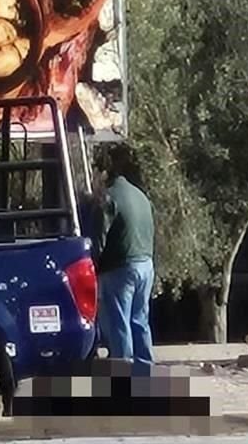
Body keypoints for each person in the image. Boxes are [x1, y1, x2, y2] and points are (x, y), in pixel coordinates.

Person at [93, 147, 155, 365]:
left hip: (121, 268)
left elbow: (99, 236)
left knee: (119, 322)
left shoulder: (109, 197)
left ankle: (124, 375)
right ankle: (145, 371)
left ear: (104, 174)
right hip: (146, 265)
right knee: (140, 320)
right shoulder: (140, 195)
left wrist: (93, 264)